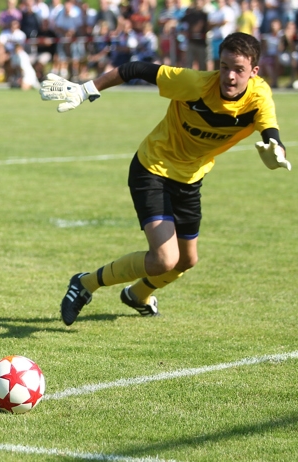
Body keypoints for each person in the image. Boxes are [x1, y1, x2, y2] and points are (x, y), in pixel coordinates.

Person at [39, 32, 291, 325]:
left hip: (190, 178)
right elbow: (134, 68)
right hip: (153, 168)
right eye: (224, 67)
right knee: (164, 260)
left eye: (239, 70)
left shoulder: (259, 97)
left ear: (254, 71)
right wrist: (86, 90)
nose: (230, 76)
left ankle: (137, 295)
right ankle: (85, 284)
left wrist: (277, 150)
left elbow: (270, 130)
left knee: (187, 261)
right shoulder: (194, 84)